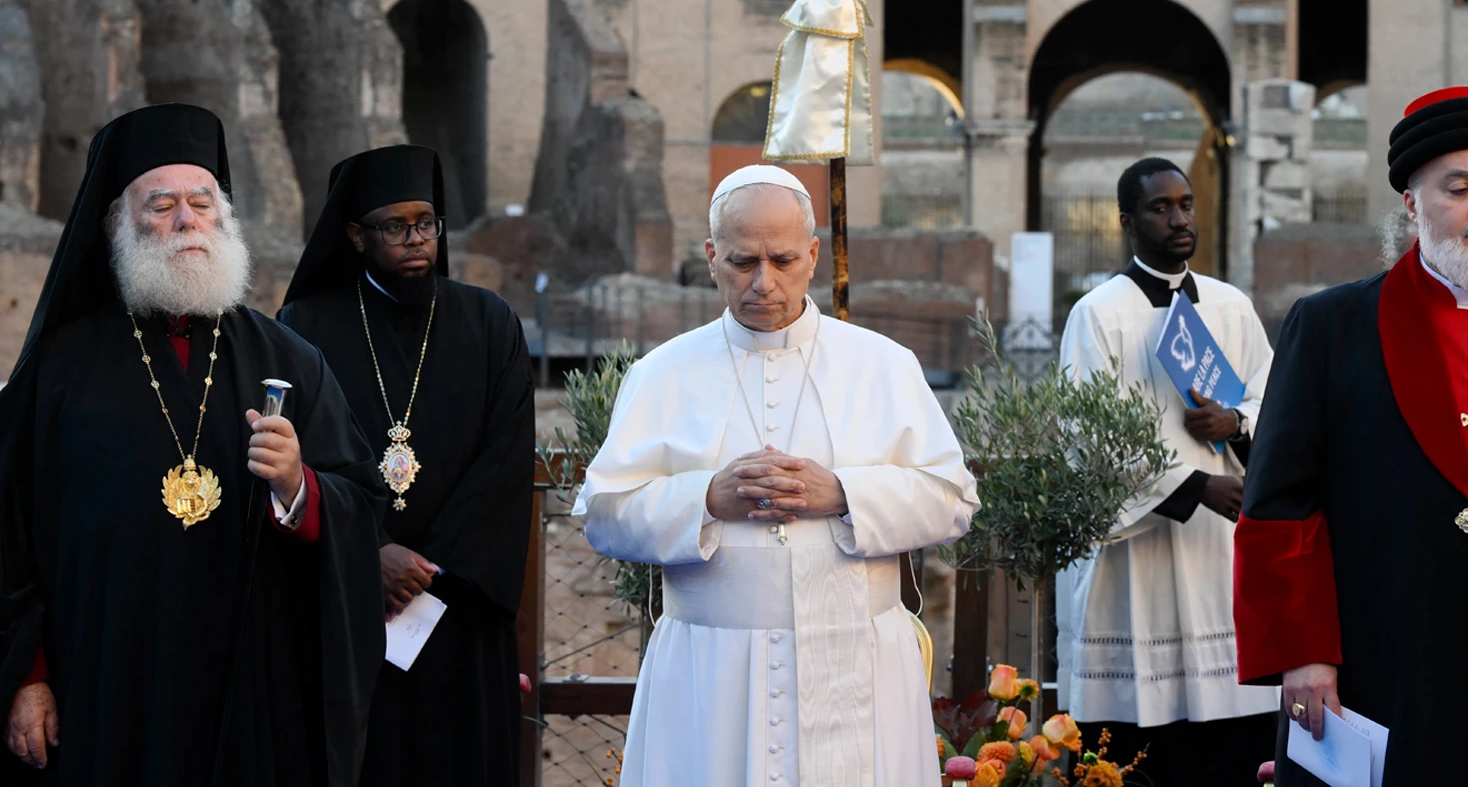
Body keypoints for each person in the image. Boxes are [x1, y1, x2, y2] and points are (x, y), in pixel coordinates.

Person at [0, 104, 386, 786]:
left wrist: (299, 487)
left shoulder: (289, 360)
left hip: (252, 685)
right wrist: (25, 676)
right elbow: (8, 533)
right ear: (117, 225)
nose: (186, 221)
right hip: (103, 684)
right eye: (161, 205)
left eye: (202, 203)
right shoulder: (57, 371)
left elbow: (361, 501)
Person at [1236, 87, 1468, 786]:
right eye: (1459, 189)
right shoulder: (1331, 327)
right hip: (1386, 635)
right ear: (1412, 203)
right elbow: (1279, 505)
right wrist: (1302, 651)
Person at [574, 164, 979, 787]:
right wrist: (706, 498)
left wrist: (842, 493)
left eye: (783, 260)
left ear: (813, 256)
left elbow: (952, 500)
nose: (763, 282)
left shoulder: (883, 364)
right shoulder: (662, 373)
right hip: (710, 672)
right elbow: (604, 515)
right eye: (743, 262)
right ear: (712, 258)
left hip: (860, 661)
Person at [278, 145, 535, 787]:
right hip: (348, 609)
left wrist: (423, 573)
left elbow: (504, 466)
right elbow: (300, 463)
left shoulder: (490, 322)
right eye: (395, 227)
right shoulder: (305, 327)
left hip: (460, 610)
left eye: (425, 223)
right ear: (355, 235)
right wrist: (369, 555)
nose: (416, 240)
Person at [1055, 158, 1278, 787]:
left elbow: (1274, 400)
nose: (1179, 219)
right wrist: (1197, 486)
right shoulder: (1098, 313)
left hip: (1216, 555)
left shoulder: (1231, 306)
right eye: (1160, 208)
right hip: (1137, 559)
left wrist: (1235, 421)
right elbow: (1085, 437)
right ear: (1127, 222)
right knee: (1139, 753)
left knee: (1229, 750)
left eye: (1185, 204)